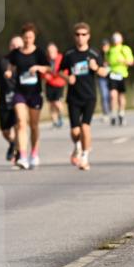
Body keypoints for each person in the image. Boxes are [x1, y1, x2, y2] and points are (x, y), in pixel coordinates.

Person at [5, 23, 50, 169]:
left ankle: (34, 153)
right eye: (25, 37)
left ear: (34, 37)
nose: (28, 40)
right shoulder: (16, 53)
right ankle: (23, 156)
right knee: (20, 122)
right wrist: (9, 72)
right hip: (20, 93)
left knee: (34, 125)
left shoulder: (39, 53)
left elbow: (49, 68)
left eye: (30, 37)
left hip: (35, 93)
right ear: (22, 37)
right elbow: (10, 66)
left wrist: (38, 67)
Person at [60, 23, 101, 170]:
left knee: (85, 127)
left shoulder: (94, 54)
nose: (80, 37)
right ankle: (77, 145)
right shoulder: (69, 54)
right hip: (73, 97)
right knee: (75, 131)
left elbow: (104, 71)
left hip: (89, 95)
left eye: (83, 34)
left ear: (88, 36)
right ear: (74, 36)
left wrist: (96, 68)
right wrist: (67, 78)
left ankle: (85, 156)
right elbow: (60, 71)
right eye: (77, 35)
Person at [0, 35, 23, 164]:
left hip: (20, 99)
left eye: (18, 46)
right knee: (5, 131)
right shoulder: (2, 61)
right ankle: (13, 143)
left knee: (19, 125)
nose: (15, 48)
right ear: (9, 47)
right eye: (13, 46)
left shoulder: (24, 61)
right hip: (4, 100)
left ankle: (20, 153)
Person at [108, 31, 134, 127]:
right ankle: (113, 114)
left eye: (117, 38)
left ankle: (121, 113)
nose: (115, 40)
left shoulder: (124, 49)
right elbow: (106, 61)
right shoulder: (110, 50)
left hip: (122, 74)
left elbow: (131, 62)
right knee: (112, 95)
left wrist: (123, 61)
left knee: (121, 96)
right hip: (112, 74)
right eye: (114, 38)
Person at [43, 42, 66, 128]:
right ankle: (54, 121)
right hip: (49, 84)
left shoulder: (61, 58)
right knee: (51, 103)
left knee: (57, 102)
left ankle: (60, 116)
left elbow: (64, 71)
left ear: (56, 51)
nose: (50, 53)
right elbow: (42, 72)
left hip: (59, 83)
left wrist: (54, 76)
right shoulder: (46, 60)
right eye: (49, 51)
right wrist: (45, 75)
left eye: (52, 51)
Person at [97, 38, 112, 121]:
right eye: (103, 46)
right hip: (102, 78)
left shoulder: (112, 53)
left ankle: (111, 111)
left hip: (111, 77)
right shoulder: (98, 55)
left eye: (106, 46)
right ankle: (105, 113)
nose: (105, 48)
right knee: (104, 95)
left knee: (111, 95)